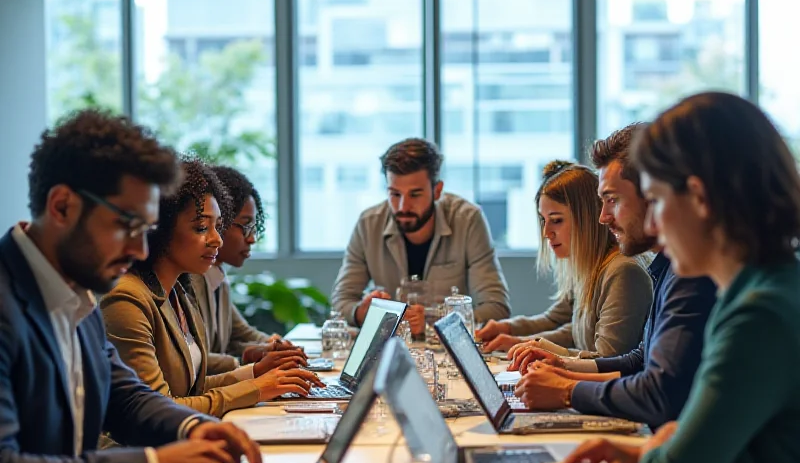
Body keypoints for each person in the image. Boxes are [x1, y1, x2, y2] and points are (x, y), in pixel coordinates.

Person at [0, 111, 263, 463]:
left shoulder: (76, 291)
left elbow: (126, 396)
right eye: (128, 226)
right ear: (62, 206)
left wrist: (196, 429)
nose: (143, 249)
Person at [558, 92, 800, 463]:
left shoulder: (759, 316)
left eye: (660, 202)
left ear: (702, 198)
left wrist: (665, 453)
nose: (651, 223)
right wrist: (655, 452)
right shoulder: (761, 290)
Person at [510, 125, 717, 430]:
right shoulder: (668, 268)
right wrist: (564, 368)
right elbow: (639, 361)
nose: (603, 216)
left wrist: (568, 391)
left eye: (612, 200)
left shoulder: (692, 278)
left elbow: (660, 394)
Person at [101, 158, 319, 418]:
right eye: (202, 227)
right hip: (138, 451)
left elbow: (194, 388)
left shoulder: (179, 294)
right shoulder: (127, 298)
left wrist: (255, 374)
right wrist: (256, 388)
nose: (216, 239)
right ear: (160, 228)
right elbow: (158, 409)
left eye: (218, 226)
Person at [331, 138, 511, 333]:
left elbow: (496, 308)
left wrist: (433, 320)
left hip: (445, 351)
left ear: (437, 191)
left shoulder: (468, 220)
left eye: (415, 194)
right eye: (395, 194)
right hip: (389, 350)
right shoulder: (368, 224)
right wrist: (360, 313)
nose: (403, 207)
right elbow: (341, 303)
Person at [475, 160, 652, 358]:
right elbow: (571, 328)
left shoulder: (623, 272)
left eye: (556, 220)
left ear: (587, 218)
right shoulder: (588, 267)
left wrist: (534, 348)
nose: (546, 233)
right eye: (544, 220)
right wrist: (512, 334)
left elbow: (606, 359)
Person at [190, 164, 304, 375]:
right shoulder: (187, 281)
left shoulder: (216, 276)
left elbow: (239, 332)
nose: (251, 238)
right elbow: (194, 360)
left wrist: (273, 346)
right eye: (244, 226)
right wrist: (248, 363)